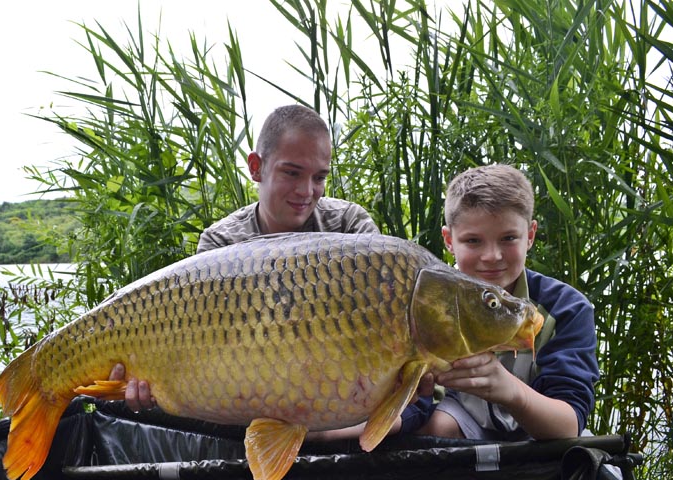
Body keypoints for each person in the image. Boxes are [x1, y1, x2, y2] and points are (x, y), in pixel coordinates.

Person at [111, 104, 379, 411]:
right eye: (291, 173)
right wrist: (155, 382)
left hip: (334, 390)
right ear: (256, 167)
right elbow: (205, 360)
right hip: (252, 401)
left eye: (319, 177)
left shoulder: (350, 228)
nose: (307, 191)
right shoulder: (221, 244)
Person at [399, 164, 599, 440]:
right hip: (460, 425)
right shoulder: (429, 304)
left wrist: (509, 390)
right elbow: (416, 407)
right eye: (473, 241)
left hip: (544, 434)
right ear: (449, 240)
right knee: (436, 427)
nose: (492, 256)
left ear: (529, 235)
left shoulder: (566, 308)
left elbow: (568, 424)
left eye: (508, 238)